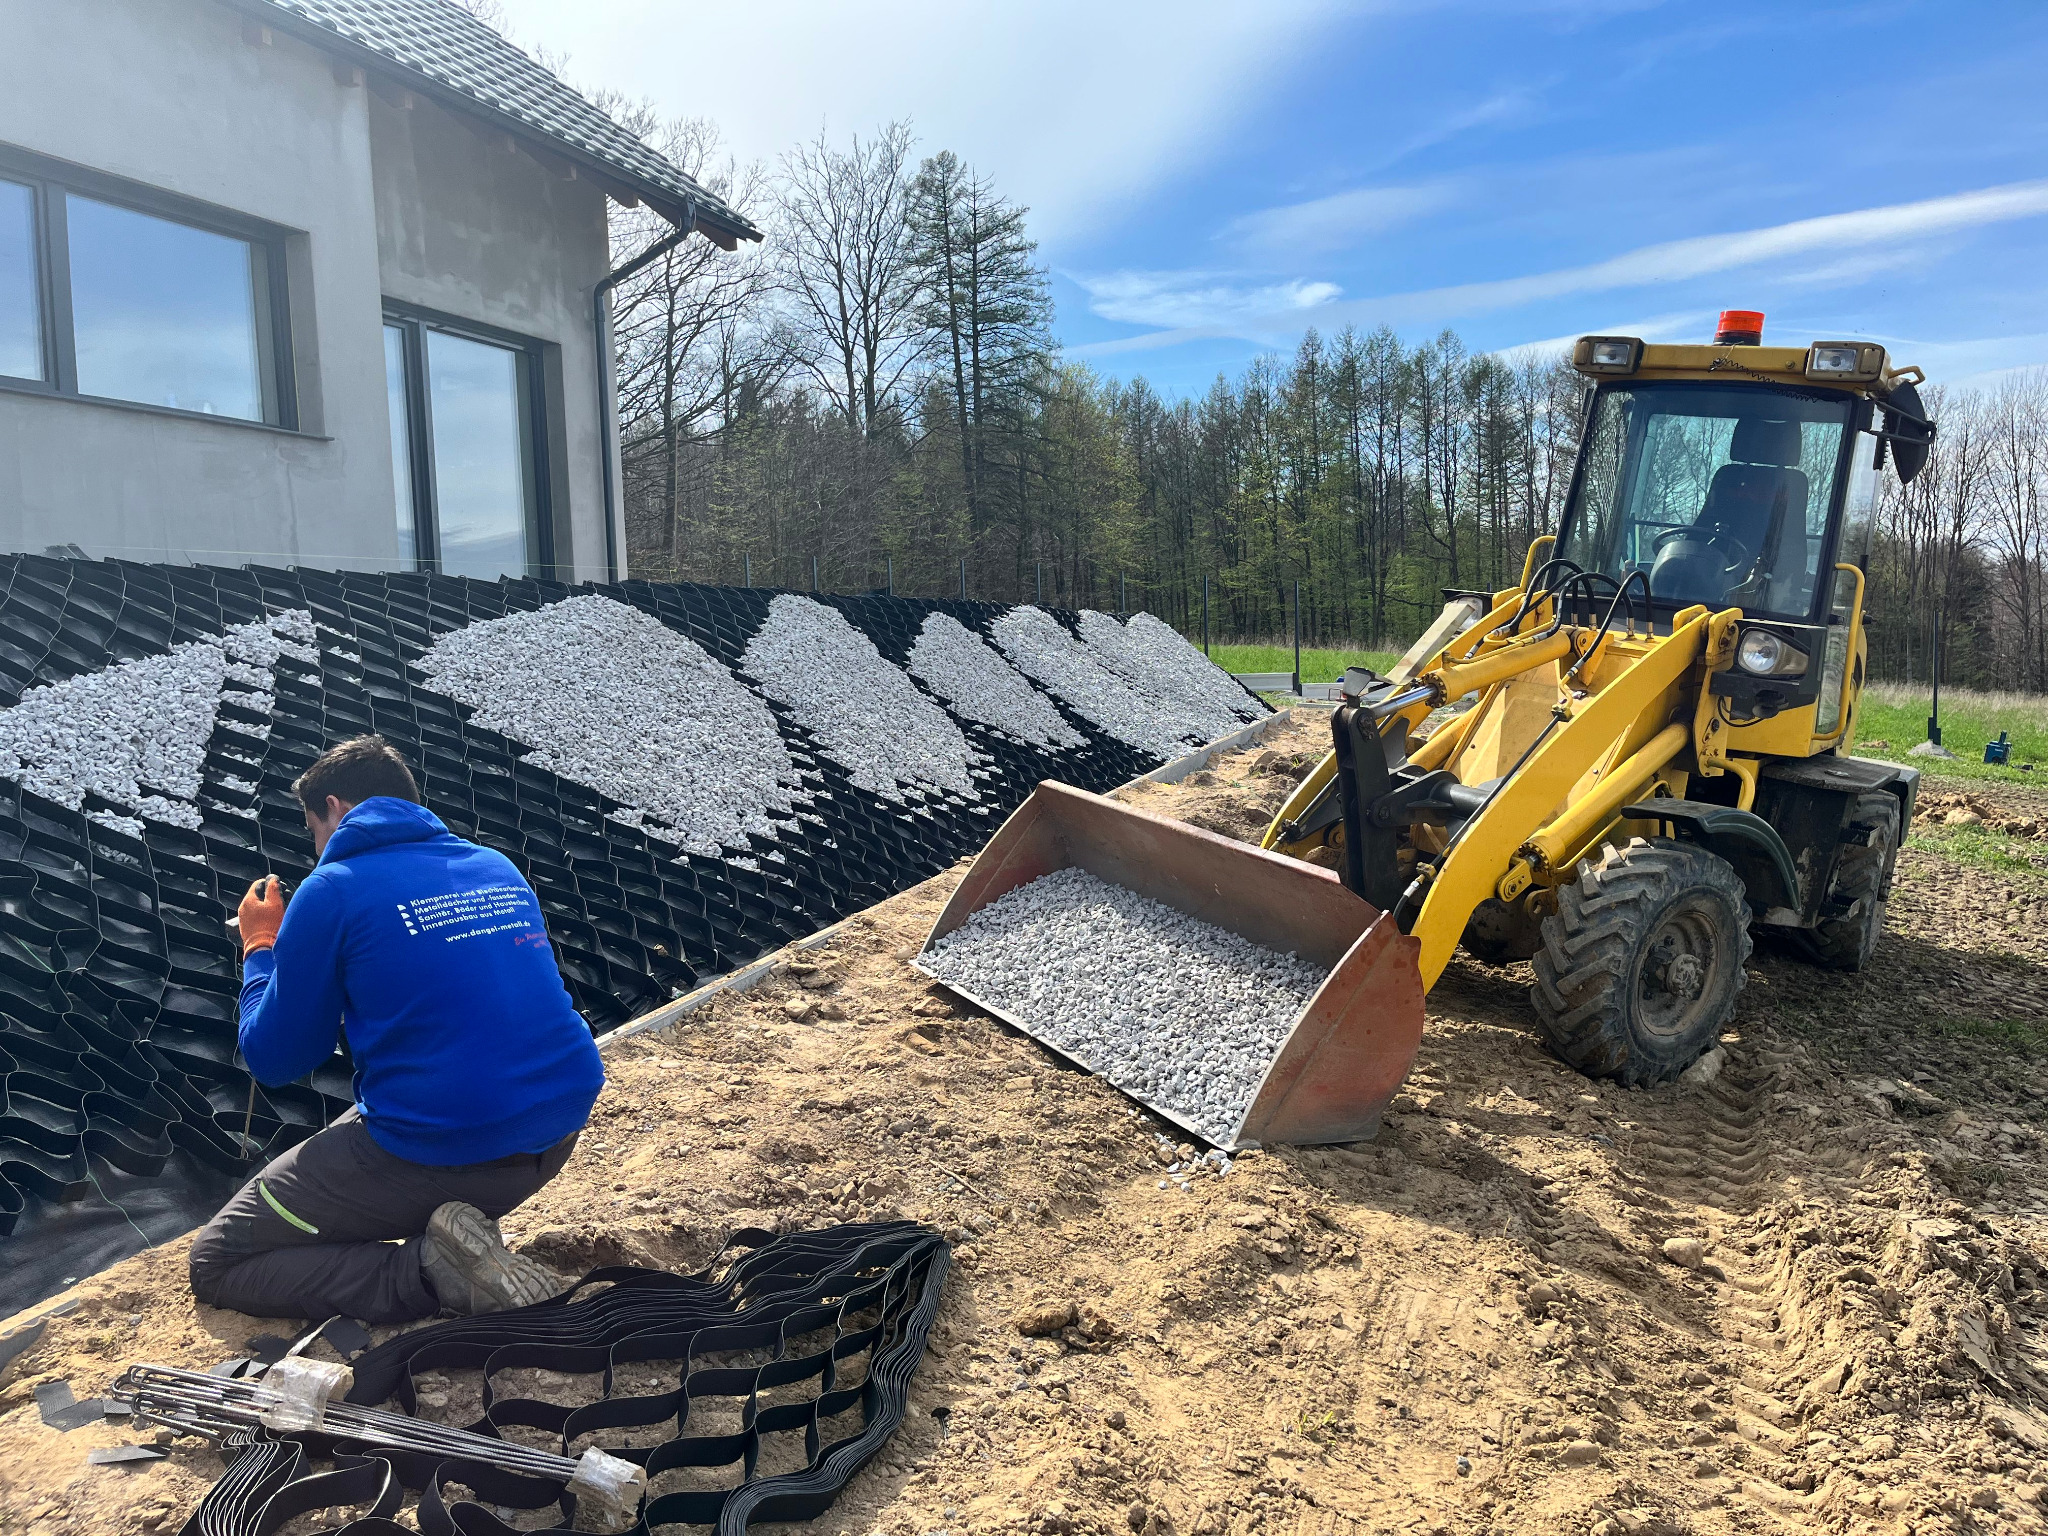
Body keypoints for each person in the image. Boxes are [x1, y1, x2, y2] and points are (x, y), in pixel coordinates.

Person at [188, 736, 605, 1323]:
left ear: (334, 808)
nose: (316, 847)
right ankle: (451, 1239)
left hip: (455, 1148)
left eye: (313, 829)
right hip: (557, 1127)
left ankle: (430, 1272)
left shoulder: (331, 891)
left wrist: (261, 947)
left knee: (217, 1261)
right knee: (376, 1107)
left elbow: (274, 1059)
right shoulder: (493, 864)